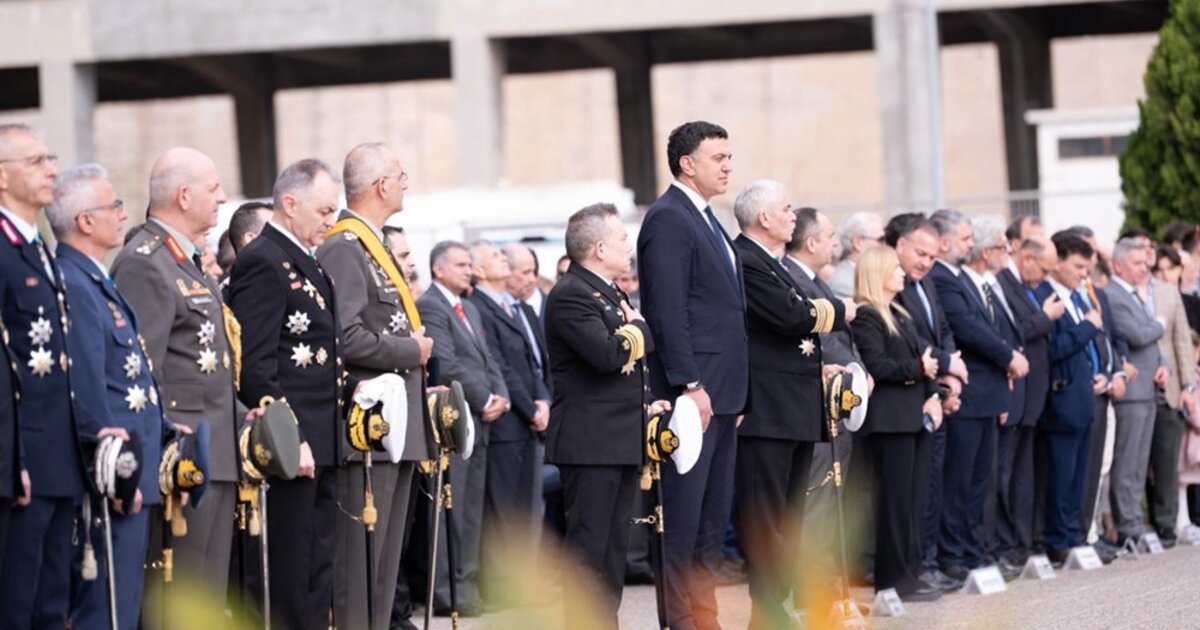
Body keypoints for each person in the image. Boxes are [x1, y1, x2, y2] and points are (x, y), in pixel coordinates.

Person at [112, 146, 250, 619]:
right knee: (176, 598)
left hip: (217, 451)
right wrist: (165, 446)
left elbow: (207, 364)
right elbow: (138, 372)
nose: (223, 197)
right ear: (184, 195)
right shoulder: (145, 262)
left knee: (205, 599)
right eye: (214, 188)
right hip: (181, 459)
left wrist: (242, 415)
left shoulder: (187, 261)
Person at [48, 164, 185, 629]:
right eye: (114, 205)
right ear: (86, 220)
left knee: (122, 604)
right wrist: (110, 470)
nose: (124, 214)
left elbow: (127, 377)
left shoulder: (95, 280)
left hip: (133, 468)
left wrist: (163, 428)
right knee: (105, 608)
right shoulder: (75, 284)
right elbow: (88, 388)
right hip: (113, 475)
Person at [315, 143, 434, 630]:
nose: (405, 184)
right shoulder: (345, 247)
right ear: (382, 186)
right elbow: (345, 336)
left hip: (397, 426)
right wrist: (411, 351)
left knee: (384, 571)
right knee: (360, 569)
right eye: (401, 176)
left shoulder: (373, 245)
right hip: (369, 427)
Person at [637, 121, 748, 630]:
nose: (727, 166)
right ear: (687, 164)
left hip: (724, 392)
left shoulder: (706, 218)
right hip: (693, 394)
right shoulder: (668, 219)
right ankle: (681, 619)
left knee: (711, 519)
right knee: (682, 519)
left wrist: (735, 392)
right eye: (718, 158)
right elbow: (667, 309)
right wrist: (690, 384)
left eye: (729, 157)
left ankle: (706, 617)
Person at [229, 158, 349, 628]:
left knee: (317, 565)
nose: (331, 220)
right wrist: (290, 438)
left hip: (322, 436)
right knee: (291, 571)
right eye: (324, 210)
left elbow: (320, 353)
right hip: (291, 443)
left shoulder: (306, 261)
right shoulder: (263, 260)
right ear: (291, 203)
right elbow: (256, 367)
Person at [731, 183, 848, 627]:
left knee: (789, 516)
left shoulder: (772, 262)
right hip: (767, 408)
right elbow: (791, 315)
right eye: (786, 208)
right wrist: (838, 310)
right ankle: (767, 610)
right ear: (764, 218)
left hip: (794, 403)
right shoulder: (746, 259)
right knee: (766, 517)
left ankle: (778, 604)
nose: (793, 216)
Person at [544, 202, 655, 629]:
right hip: (591, 441)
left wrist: (648, 400)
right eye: (622, 238)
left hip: (618, 437)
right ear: (599, 248)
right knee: (589, 549)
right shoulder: (571, 293)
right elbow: (607, 355)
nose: (629, 246)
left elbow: (630, 363)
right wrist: (639, 328)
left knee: (612, 550)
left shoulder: (607, 291)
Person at [0, 123, 89, 628]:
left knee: (54, 603)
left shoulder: (37, 248)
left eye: (50, 159)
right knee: (17, 604)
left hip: (59, 454)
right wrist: (11, 459)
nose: (51, 169)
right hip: (21, 460)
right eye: (36, 161)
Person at [928, 212, 1028, 580]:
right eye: (965, 238)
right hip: (968, 395)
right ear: (945, 241)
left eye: (972, 238)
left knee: (978, 482)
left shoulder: (961, 279)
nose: (971, 244)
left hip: (986, 394)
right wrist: (1008, 357)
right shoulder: (943, 278)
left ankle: (972, 551)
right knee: (960, 481)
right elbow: (968, 328)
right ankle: (954, 554)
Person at [416, 240, 509, 615]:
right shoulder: (430, 305)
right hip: (455, 422)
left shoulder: (468, 306)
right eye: (460, 264)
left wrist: (501, 395)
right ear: (438, 269)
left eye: (470, 264)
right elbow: (447, 363)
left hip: (480, 422)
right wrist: (485, 399)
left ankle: (466, 587)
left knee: (471, 511)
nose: (469, 270)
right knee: (449, 512)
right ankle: (447, 592)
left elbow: (488, 360)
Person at [852, 245, 943, 601]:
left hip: (912, 418)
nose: (902, 273)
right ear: (878, 273)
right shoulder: (868, 316)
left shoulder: (899, 313)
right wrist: (917, 370)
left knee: (912, 502)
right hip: (889, 422)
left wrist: (933, 392)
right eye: (895, 268)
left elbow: (926, 357)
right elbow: (877, 365)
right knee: (893, 503)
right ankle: (891, 580)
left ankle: (911, 572)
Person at [783, 206, 865, 586]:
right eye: (830, 236)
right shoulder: (793, 278)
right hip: (815, 401)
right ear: (812, 242)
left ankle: (825, 584)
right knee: (815, 500)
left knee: (830, 497)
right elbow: (821, 339)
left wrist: (857, 368)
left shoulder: (815, 279)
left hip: (836, 398)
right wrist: (854, 368)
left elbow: (842, 335)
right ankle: (810, 590)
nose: (835, 243)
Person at [884, 212, 966, 592]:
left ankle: (928, 561)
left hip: (936, 391)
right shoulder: (892, 285)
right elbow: (911, 339)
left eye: (932, 257)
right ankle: (914, 567)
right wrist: (947, 366)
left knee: (931, 487)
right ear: (900, 245)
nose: (926, 263)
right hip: (911, 397)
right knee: (912, 492)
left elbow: (943, 330)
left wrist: (950, 376)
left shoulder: (927, 283)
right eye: (920, 254)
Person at [466, 239, 549, 600]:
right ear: (480, 269)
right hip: (508, 421)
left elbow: (535, 362)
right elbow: (499, 365)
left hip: (529, 419)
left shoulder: (514, 306)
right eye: (497, 256)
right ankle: (503, 588)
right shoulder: (479, 306)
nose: (504, 259)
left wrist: (544, 400)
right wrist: (531, 409)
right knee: (504, 511)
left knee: (527, 508)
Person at [993, 236, 1063, 569]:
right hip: (1012, 392)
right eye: (1044, 270)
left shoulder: (1022, 286)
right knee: (1005, 474)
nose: (1045, 278)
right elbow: (1013, 331)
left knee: (1022, 474)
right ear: (1027, 259)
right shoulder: (1002, 283)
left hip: (1030, 397)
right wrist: (1045, 316)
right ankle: (1006, 544)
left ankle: (1020, 543)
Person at [1037, 234, 1104, 565]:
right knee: (1060, 474)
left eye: (1086, 267)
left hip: (1083, 395)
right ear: (1058, 262)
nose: (1083, 273)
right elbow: (1053, 350)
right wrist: (1087, 328)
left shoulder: (1078, 297)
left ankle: (1075, 534)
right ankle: (1058, 539)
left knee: (1079, 475)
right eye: (1077, 266)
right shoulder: (1046, 298)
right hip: (1061, 399)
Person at [1105, 238, 1166, 549]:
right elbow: (1138, 335)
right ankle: (1127, 526)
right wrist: (1160, 325)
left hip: (1147, 388)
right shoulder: (1113, 295)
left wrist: (1163, 364)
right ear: (1118, 265)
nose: (1144, 268)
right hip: (1130, 392)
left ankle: (1134, 522)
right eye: (1137, 263)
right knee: (1126, 463)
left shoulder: (1134, 295)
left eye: (1145, 263)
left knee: (1140, 464)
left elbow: (1151, 343)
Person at [1146, 244, 1198, 547]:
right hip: (1143, 383)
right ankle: (1149, 520)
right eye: (1159, 269)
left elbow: (1182, 341)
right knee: (1142, 460)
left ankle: (1169, 522)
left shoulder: (1176, 297)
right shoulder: (1135, 295)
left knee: (1171, 458)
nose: (1164, 274)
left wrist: (1188, 385)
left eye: (1170, 268)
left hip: (1174, 386)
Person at [829, 211, 884, 299]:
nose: (884, 246)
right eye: (880, 240)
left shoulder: (872, 273)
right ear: (858, 243)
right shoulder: (844, 283)